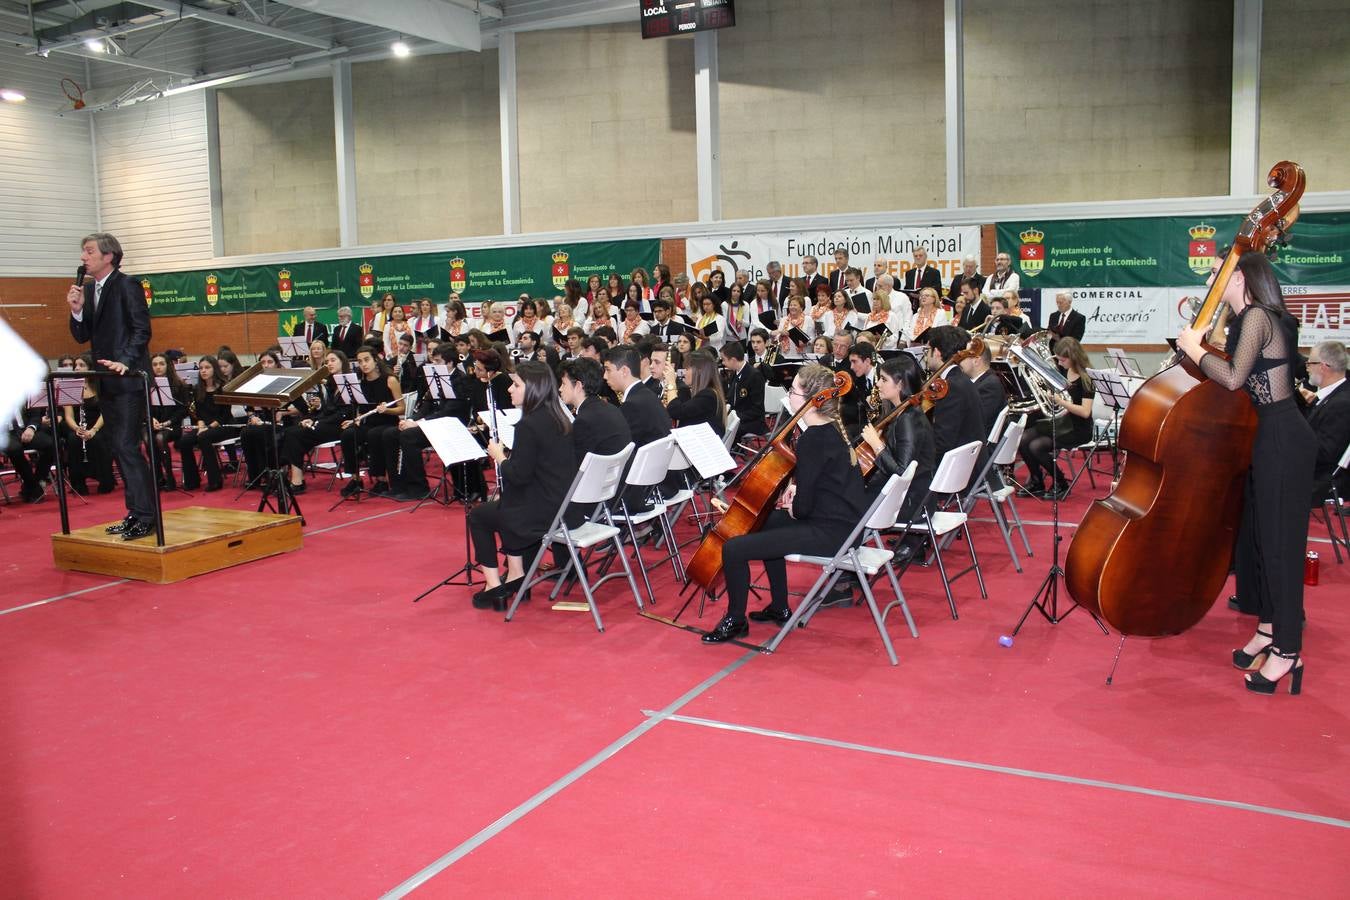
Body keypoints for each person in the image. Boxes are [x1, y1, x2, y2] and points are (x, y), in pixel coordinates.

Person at [1177, 252, 1315, 694]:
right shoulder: (1251, 319)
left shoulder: (1256, 316)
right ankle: (1271, 629)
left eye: (1217, 274)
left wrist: (1195, 349)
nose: (1211, 282)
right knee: (1262, 541)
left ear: (1237, 276)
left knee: (1281, 549)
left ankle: (1288, 652)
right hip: (1269, 437)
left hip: (1281, 438)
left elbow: (1234, 378)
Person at [702, 363, 871, 643]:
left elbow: (803, 509)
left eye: (793, 390)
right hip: (843, 525)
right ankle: (780, 605)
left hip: (830, 533)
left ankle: (735, 620)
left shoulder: (813, 439)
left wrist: (793, 504)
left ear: (811, 400)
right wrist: (797, 491)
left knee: (733, 548)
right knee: (761, 521)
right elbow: (822, 484)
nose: (789, 395)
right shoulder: (830, 429)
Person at [65, 232, 157, 538]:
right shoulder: (91, 290)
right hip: (106, 381)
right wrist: (76, 310)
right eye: (83, 252)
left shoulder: (127, 285)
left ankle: (146, 516)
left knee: (127, 447)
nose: (83, 257)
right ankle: (135, 513)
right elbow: (82, 336)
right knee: (119, 448)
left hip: (128, 380)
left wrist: (127, 361)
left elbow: (142, 330)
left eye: (89, 251)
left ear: (109, 256)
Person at [467, 362, 578, 610]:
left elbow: (517, 476)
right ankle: (517, 576)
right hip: (560, 506)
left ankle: (493, 586)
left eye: (516, 384)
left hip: (539, 513)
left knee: (479, 516)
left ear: (534, 389)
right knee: (505, 503)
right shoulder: (560, 417)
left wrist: (499, 456)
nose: (509, 389)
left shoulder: (529, 424)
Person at [859, 353, 937, 532]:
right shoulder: (906, 412)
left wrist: (876, 444)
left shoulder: (907, 419)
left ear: (900, 384)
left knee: (843, 503)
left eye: (883, 380)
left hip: (911, 503)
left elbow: (902, 473)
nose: (878, 384)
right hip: (914, 497)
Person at [1017, 337, 1095, 500]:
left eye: (1063, 359)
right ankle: (1037, 481)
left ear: (1073, 357)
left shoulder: (1087, 378)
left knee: (1036, 446)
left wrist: (1061, 402)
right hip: (1061, 423)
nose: (1059, 363)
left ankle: (1060, 482)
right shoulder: (1063, 371)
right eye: (1058, 359)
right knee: (1023, 439)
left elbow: (1085, 412)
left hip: (1078, 428)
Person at [280, 351, 353, 494]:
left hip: (340, 426)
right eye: (327, 362)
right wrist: (313, 419)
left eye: (333, 360)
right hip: (328, 423)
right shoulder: (331, 383)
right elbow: (327, 410)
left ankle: (297, 481)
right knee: (291, 431)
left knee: (296, 435)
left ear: (342, 362)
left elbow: (344, 413)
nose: (329, 364)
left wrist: (318, 422)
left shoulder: (347, 382)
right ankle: (295, 478)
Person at [338, 347, 405, 497]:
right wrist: (354, 420)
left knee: (374, 435)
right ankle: (355, 479)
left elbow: (402, 409)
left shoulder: (390, 380)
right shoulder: (359, 383)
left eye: (367, 360)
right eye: (360, 361)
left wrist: (386, 410)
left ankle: (381, 480)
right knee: (348, 434)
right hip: (368, 423)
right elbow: (361, 409)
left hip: (388, 423)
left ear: (376, 360)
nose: (363, 364)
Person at [1301, 340, 1350, 507]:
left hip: (1320, 480)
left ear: (1323, 367)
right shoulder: (1332, 397)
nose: (1306, 366)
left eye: (1310, 362)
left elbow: (1325, 453)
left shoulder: (1341, 403)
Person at [666, 350, 726, 437]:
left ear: (699, 370)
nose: (684, 373)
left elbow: (675, 411)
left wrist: (671, 383)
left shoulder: (708, 396)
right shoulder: (709, 393)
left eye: (687, 369)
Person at [720, 341, 767, 443]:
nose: (722, 363)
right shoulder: (734, 373)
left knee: (725, 429)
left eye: (723, 360)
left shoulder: (754, 376)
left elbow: (756, 409)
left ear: (733, 360)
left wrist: (734, 417)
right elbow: (731, 399)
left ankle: (728, 454)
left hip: (753, 421)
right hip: (738, 417)